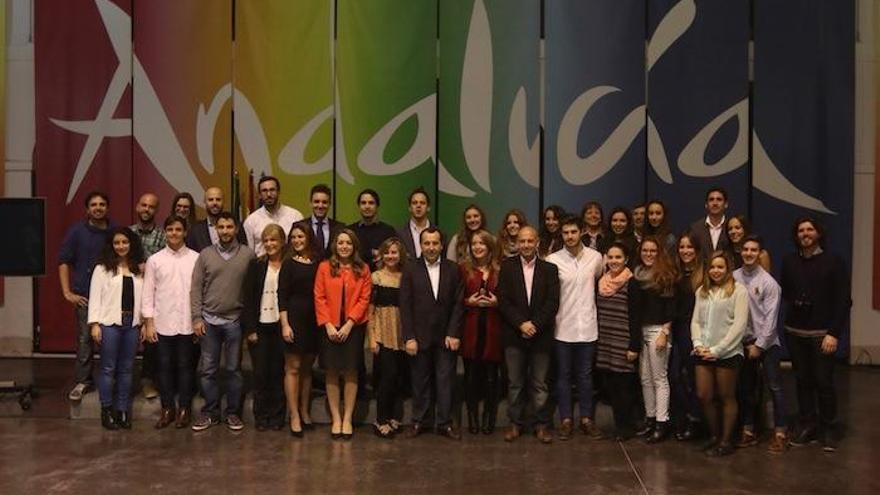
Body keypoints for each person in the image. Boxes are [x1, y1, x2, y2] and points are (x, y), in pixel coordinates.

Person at [780, 217, 849, 452]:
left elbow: (843, 301)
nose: (805, 233)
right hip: (795, 332)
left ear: (819, 233)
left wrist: (834, 333)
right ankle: (807, 423)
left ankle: (829, 427)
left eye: (810, 229)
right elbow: (788, 293)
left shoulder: (833, 262)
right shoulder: (789, 261)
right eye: (801, 230)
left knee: (823, 381)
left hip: (822, 334)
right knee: (802, 380)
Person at [190, 212, 256, 432]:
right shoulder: (205, 254)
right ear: (216, 229)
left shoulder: (248, 255)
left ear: (236, 229)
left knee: (233, 370)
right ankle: (210, 412)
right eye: (221, 227)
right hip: (208, 321)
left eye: (229, 227)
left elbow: (252, 289)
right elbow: (196, 288)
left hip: (234, 321)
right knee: (208, 370)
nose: (225, 231)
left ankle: (233, 413)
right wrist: (197, 317)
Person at [400, 227, 465, 440]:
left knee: (446, 381)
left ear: (441, 245)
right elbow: (405, 305)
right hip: (418, 337)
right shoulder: (410, 269)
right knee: (420, 381)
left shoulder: (453, 269)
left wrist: (454, 333)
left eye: (435, 243)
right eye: (426, 243)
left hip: (446, 337)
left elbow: (458, 304)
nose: (430, 247)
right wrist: (408, 336)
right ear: (421, 245)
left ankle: (445, 423)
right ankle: (419, 421)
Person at [497, 226, 560, 444]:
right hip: (514, 335)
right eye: (522, 241)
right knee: (515, 383)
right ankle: (515, 424)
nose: (525, 245)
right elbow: (503, 301)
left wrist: (534, 324)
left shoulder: (550, 269)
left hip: (541, 336)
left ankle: (541, 425)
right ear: (517, 243)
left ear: (537, 242)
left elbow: (553, 303)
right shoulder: (506, 267)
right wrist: (521, 324)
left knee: (540, 383)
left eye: (529, 241)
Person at [546, 216, 604, 441]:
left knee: (586, 376)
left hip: (588, 326)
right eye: (565, 233)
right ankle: (566, 420)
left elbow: (598, 280)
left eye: (573, 232)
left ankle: (587, 419)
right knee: (563, 376)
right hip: (563, 326)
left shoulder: (596, 257)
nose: (569, 236)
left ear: (582, 232)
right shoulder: (553, 259)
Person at [314, 229, 372, 440]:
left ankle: (347, 418)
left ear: (354, 246)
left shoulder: (363, 269)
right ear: (335, 246)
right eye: (340, 242)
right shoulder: (324, 267)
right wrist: (328, 324)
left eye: (348, 243)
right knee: (331, 371)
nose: (344, 246)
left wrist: (349, 324)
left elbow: (364, 299)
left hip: (353, 328)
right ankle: (336, 419)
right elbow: (319, 296)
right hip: (328, 327)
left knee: (350, 371)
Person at [142, 216, 199, 429]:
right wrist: (149, 323)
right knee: (164, 367)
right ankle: (167, 408)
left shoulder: (196, 258)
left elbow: (199, 293)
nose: (174, 233)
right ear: (165, 232)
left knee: (186, 367)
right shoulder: (155, 260)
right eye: (170, 229)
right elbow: (148, 293)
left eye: (178, 229)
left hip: (187, 323)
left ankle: (184, 408)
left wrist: (197, 320)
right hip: (162, 322)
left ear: (185, 232)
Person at [733, 235, 788, 453]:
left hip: (767, 343)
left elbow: (771, 319)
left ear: (760, 253)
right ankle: (748, 430)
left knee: (775, 387)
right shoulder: (733, 277)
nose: (748, 253)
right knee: (746, 388)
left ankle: (781, 432)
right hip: (742, 342)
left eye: (753, 250)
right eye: (745, 249)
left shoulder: (769, 283)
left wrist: (760, 345)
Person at [691, 251, 749, 457]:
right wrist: (698, 344)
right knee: (704, 395)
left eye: (720, 267)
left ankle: (726, 441)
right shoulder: (702, 291)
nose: (716, 271)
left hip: (727, 353)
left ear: (728, 268)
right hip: (702, 351)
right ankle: (714, 436)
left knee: (726, 396)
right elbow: (696, 321)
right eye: (712, 267)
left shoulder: (738, 291)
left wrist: (717, 350)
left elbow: (739, 326)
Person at [88, 227, 145, 430]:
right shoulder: (102, 269)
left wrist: (145, 323)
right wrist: (94, 324)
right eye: (117, 243)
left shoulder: (139, 269)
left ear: (132, 244)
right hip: (109, 324)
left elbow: (144, 299)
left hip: (132, 325)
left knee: (127, 369)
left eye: (125, 242)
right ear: (111, 246)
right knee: (108, 368)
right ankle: (107, 410)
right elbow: (95, 298)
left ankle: (122, 410)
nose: (121, 246)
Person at [59, 191, 113, 402]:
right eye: (94, 204)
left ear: (107, 207)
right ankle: (83, 381)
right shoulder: (76, 232)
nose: (98, 207)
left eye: (102, 204)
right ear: (87, 209)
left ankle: (110, 379)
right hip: (84, 296)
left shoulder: (114, 231)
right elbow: (63, 261)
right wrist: (67, 293)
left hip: (110, 298)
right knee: (85, 339)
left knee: (108, 340)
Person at [242, 224, 287, 431]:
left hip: (281, 328)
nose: (269, 244)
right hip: (260, 327)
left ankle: (277, 417)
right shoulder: (256, 265)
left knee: (277, 373)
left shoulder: (289, 265)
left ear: (282, 242)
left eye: (273, 240)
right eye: (266, 240)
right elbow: (248, 299)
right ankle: (261, 416)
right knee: (260, 374)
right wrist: (250, 329)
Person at [632, 236, 678, 443]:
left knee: (660, 378)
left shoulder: (666, 275)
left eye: (652, 251)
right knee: (645, 379)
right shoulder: (637, 274)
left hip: (659, 331)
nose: (648, 254)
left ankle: (662, 422)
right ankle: (650, 419)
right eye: (645, 251)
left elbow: (671, 308)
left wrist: (664, 333)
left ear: (659, 253)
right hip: (641, 331)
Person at [278, 224, 320, 436]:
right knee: (292, 368)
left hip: (313, 320)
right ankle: (293, 414)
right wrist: (285, 324)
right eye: (293, 237)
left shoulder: (317, 262)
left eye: (300, 236)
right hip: (293, 319)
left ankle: (305, 411)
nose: (296, 240)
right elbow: (282, 296)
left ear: (308, 238)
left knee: (307, 369)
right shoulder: (287, 264)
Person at [459, 230, 503, 435]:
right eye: (474, 243)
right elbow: (454, 300)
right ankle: (473, 419)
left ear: (490, 247)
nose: (477, 247)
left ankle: (488, 418)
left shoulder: (500, 271)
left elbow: (511, 301)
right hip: (470, 328)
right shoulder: (463, 270)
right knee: (470, 378)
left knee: (491, 378)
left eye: (482, 243)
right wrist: (469, 302)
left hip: (494, 329)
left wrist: (497, 303)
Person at [595, 243, 641, 440]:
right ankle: (618, 425)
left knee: (624, 390)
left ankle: (627, 428)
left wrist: (634, 346)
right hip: (605, 342)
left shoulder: (632, 283)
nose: (614, 261)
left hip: (623, 342)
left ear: (626, 260)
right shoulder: (601, 282)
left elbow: (636, 317)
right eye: (611, 257)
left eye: (618, 257)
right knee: (612, 388)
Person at [367, 238, 408, 438]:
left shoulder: (406, 277)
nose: (391, 256)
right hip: (383, 332)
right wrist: (372, 338)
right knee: (387, 377)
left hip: (402, 332)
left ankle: (394, 416)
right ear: (381, 255)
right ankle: (380, 419)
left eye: (394, 252)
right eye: (387, 252)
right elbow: (370, 311)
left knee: (399, 377)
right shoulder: (376, 277)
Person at [130, 192, 164, 401]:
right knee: (128, 338)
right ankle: (126, 382)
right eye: (143, 205)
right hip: (129, 293)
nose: (146, 210)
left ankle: (148, 380)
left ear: (156, 210)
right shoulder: (127, 233)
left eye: (151, 207)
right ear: (137, 207)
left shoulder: (162, 235)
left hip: (153, 293)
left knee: (152, 341)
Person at [670, 232, 704, 441]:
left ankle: (695, 420)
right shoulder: (674, 273)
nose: (685, 251)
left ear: (697, 250)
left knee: (693, 378)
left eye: (689, 247)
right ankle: (681, 417)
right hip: (674, 328)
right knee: (673, 376)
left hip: (695, 331)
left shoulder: (704, 274)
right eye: (682, 247)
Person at [243, 176, 304, 257]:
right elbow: (249, 252)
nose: (269, 194)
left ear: (278, 192)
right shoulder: (251, 221)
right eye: (264, 191)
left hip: (290, 267)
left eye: (272, 190)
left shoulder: (295, 216)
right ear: (260, 195)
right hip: (262, 267)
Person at [348, 188, 397, 271]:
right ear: (359, 206)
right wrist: (372, 253)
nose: (367, 206)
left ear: (377, 206)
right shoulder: (350, 231)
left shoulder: (388, 231)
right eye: (363, 203)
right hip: (355, 277)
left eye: (371, 203)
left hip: (381, 279)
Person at [186, 187, 246, 252]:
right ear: (205, 202)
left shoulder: (237, 226)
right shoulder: (195, 230)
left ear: (223, 201)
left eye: (218, 199)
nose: (214, 203)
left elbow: (244, 252)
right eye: (210, 200)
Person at [295, 183, 344, 260]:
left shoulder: (340, 228)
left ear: (329, 204)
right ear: (310, 203)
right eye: (316, 202)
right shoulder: (299, 226)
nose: (320, 206)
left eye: (324, 202)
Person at [690, 187, 730, 259]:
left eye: (719, 199)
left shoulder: (731, 227)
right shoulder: (695, 228)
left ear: (726, 204)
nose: (715, 203)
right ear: (706, 204)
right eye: (711, 200)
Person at [396, 187, 434, 259]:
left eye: (422, 203)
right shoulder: (399, 234)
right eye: (414, 203)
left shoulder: (439, 233)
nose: (418, 206)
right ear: (410, 208)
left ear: (428, 207)